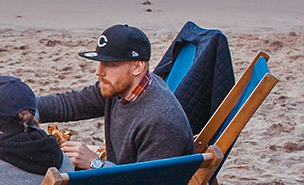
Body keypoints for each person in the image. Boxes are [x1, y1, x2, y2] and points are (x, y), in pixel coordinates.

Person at [34, 24, 193, 168]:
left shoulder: (160, 121)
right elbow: (71, 104)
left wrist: (95, 163)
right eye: (100, 63)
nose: (99, 72)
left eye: (110, 65)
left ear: (137, 67)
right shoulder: (120, 88)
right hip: (119, 180)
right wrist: (23, 107)